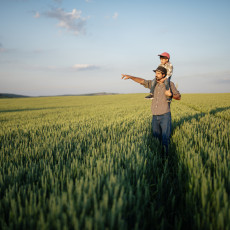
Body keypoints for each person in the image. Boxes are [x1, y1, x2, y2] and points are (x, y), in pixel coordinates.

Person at [121, 66, 181, 157]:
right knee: (156, 139)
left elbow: (179, 97)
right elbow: (142, 81)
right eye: (155, 73)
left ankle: (166, 160)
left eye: (158, 73)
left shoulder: (170, 84)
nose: (156, 75)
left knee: (165, 140)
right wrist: (130, 77)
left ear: (163, 75)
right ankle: (157, 159)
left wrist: (170, 95)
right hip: (155, 116)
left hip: (165, 116)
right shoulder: (153, 83)